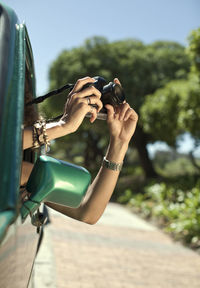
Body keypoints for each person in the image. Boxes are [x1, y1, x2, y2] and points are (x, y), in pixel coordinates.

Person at [21, 76, 138, 225]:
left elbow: (87, 211)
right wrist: (62, 125)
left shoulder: (20, 171)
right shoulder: (15, 171)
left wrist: (120, 142)